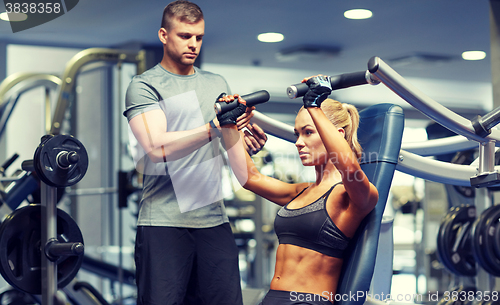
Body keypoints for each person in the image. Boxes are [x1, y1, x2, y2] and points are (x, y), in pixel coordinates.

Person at [122, 1, 267, 304]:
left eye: (199, 37)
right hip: (163, 223)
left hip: (214, 222)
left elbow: (230, 145)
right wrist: (212, 127)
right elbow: (157, 147)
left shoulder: (216, 84)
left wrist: (244, 140)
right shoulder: (145, 85)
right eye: (185, 36)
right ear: (164, 35)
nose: (193, 44)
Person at [218, 75, 379, 305]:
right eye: (297, 134)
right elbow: (249, 178)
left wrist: (314, 106)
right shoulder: (301, 192)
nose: (298, 142)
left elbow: (350, 166)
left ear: (337, 135)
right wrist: (228, 124)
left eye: (308, 132)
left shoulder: (354, 196)